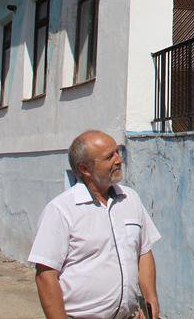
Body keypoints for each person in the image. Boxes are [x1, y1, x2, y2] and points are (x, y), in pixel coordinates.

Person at [29, 130, 161, 319]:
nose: (118, 160)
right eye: (109, 156)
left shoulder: (130, 199)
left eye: (117, 152)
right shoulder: (61, 210)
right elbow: (45, 275)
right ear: (85, 169)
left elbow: (144, 251)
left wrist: (151, 299)